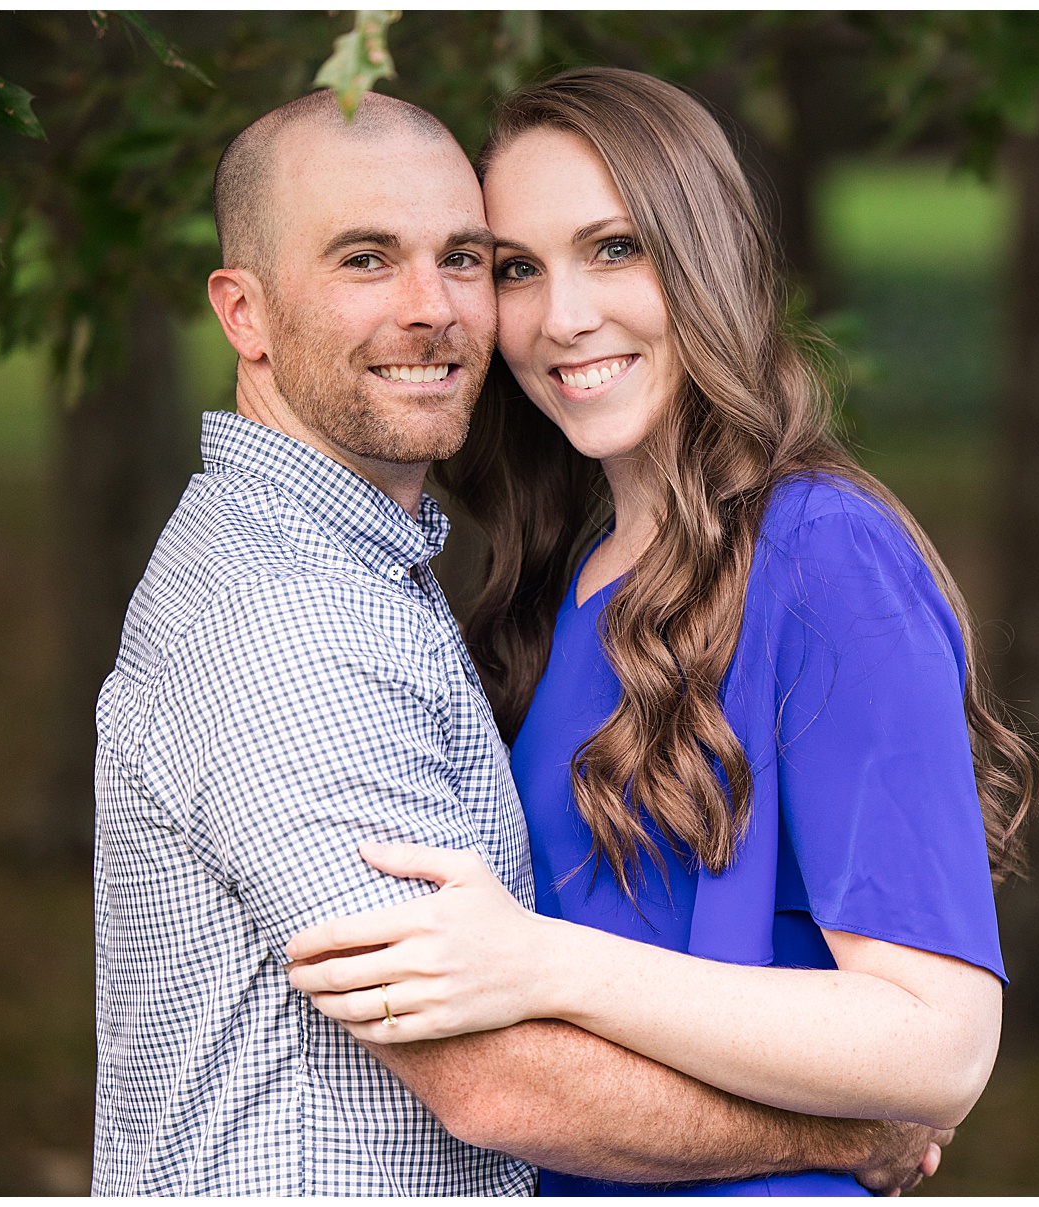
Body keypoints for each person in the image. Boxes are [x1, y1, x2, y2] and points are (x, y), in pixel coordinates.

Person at [92, 87, 947, 1196]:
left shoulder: (389, 568)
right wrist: (844, 1138)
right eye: (364, 260)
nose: (433, 308)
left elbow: (929, 1017)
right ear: (244, 313)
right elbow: (494, 1080)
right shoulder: (287, 617)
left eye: (461, 258)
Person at [285, 68, 1039, 1196]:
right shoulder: (560, 576)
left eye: (616, 248)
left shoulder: (825, 554)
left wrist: (543, 964)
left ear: (708, 257)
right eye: (517, 271)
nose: (563, 317)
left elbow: (941, 1042)